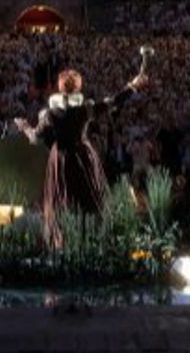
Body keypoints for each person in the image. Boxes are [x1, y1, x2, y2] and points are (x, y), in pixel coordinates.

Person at [15, 66, 148, 242]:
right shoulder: (85, 110)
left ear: (59, 87)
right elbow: (113, 102)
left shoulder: (49, 114)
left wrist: (24, 127)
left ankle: (63, 242)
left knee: (62, 203)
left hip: (60, 160)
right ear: (77, 88)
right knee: (88, 201)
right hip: (82, 158)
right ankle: (91, 241)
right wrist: (132, 86)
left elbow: (34, 138)